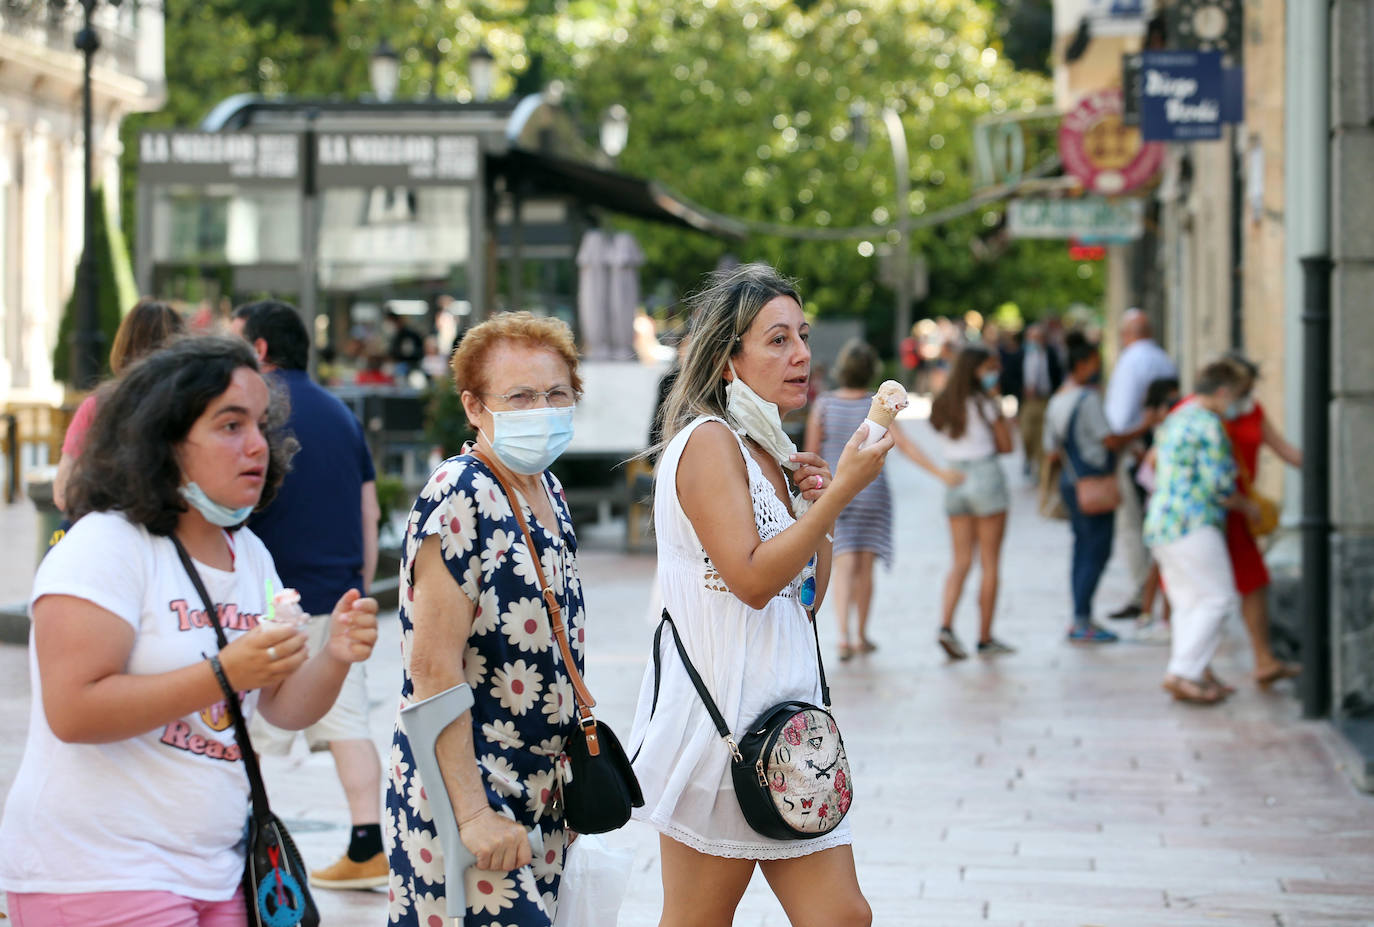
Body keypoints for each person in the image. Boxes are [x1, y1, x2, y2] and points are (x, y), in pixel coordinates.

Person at [0, 335, 379, 925]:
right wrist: (224, 674)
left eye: (260, 424)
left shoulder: (249, 554)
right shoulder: (104, 546)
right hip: (98, 873)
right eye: (230, 426)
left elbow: (279, 709)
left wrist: (334, 657)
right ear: (164, 439)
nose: (257, 444)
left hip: (220, 872)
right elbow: (73, 712)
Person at [628, 263, 890, 927]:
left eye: (802, 335)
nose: (802, 353)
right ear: (727, 358)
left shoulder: (768, 449)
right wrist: (839, 493)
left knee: (842, 915)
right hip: (724, 730)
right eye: (777, 340)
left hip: (789, 733)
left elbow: (802, 600)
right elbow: (749, 580)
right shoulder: (710, 444)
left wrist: (816, 509)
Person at [385, 311, 587, 926]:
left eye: (557, 393)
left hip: (542, 795)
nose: (542, 409)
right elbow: (432, 666)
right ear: (474, 407)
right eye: (520, 396)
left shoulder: (544, 487)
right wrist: (472, 813)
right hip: (470, 789)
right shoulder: (460, 494)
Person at [228, 300, 387, 890]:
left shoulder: (252, 413)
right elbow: (368, 508)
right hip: (338, 594)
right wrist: (360, 584)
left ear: (261, 349)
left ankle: (243, 842)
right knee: (347, 723)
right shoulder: (341, 414)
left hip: (272, 600)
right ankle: (368, 844)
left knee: (252, 731)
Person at [803, 338, 964, 660]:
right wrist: (939, 472)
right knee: (865, 566)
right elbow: (903, 445)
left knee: (844, 563)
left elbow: (812, 449)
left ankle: (844, 637)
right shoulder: (877, 407)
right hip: (873, 491)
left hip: (836, 489)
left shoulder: (824, 405)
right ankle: (862, 635)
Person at [1145, 360, 1259, 703]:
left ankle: (1191, 672)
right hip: (1193, 522)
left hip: (1162, 522)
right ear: (1223, 392)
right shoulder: (1209, 424)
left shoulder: (1178, 416)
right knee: (1218, 598)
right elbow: (1219, 486)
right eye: (1240, 395)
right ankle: (1183, 672)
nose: (1242, 404)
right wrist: (1248, 506)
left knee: (1187, 603)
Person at [1044, 334, 1158, 644]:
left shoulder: (1058, 399)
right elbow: (1109, 439)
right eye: (1095, 363)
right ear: (1082, 365)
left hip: (1071, 481)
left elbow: (1051, 449)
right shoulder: (1087, 399)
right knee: (1096, 549)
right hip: (1094, 482)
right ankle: (1082, 619)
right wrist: (1144, 426)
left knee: (1082, 548)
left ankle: (1080, 615)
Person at [1208, 354, 1302, 687]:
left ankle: (1263, 658)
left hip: (1242, 511)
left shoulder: (1252, 411)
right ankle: (1196, 666)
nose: (1247, 391)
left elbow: (1285, 450)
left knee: (1253, 582)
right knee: (1206, 591)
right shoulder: (1209, 411)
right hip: (1216, 509)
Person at [52, 298, 184, 512]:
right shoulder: (193, 407)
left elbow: (64, 492)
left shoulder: (97, 406)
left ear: (123, 345)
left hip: (109, 533)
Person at [926, 344, 1015, 658]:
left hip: (956, 480)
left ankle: (946, 626)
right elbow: (1007, 446)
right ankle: (985, 637)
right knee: (990, 562)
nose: (994, 373)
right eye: (989, 367)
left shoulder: (944, 404)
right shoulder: (985, 403)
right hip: (985, 475)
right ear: (976, 370)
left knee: (961, 561)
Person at [1102, 309, 1178, 619]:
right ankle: (1158, 596)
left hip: (1137, 451)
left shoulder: (1131, 361)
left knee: (1134, 526)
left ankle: (1142, 594)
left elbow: (1119, 419)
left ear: (1127, 333)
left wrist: (1118, 443)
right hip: (1158, 447)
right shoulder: (1163, 358)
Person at [1017, 323, 1063, 480]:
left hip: (1046, 399)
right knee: (1027, 434)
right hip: (1028, 402)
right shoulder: (1021, 355)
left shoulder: (1051, 354)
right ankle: (1028, 458)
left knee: (1042, 436)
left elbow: (1058, 376)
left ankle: (1040, 467)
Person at [385, 309, 425, 374]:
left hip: (410, 368)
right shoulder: (396, 335)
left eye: (391, 321)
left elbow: (409, 353)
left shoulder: (409, 335)